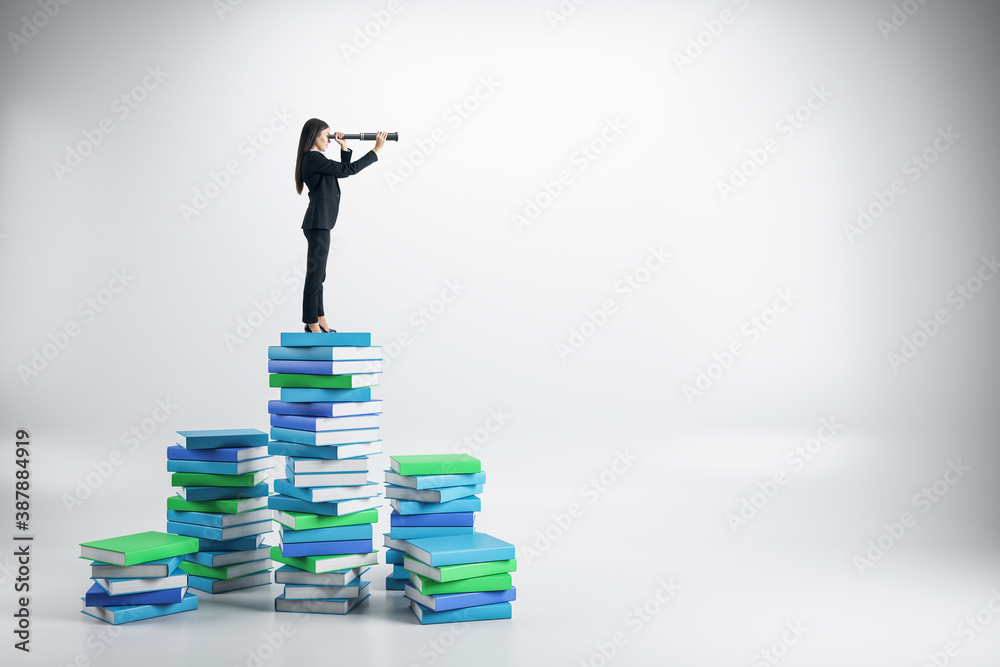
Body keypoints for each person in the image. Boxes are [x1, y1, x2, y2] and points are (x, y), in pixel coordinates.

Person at [294, 119, 387, 333]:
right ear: (314, 135)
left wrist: (344, 148)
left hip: (321, 223)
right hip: (318, 224)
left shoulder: (315, 160)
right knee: (315, 275)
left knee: (319, 275)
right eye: (326, 135)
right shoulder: (312, 158)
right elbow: (349, 169)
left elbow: (342, 171)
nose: (328, 139)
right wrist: (376, 150)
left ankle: (321, 320)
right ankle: (311, 323)